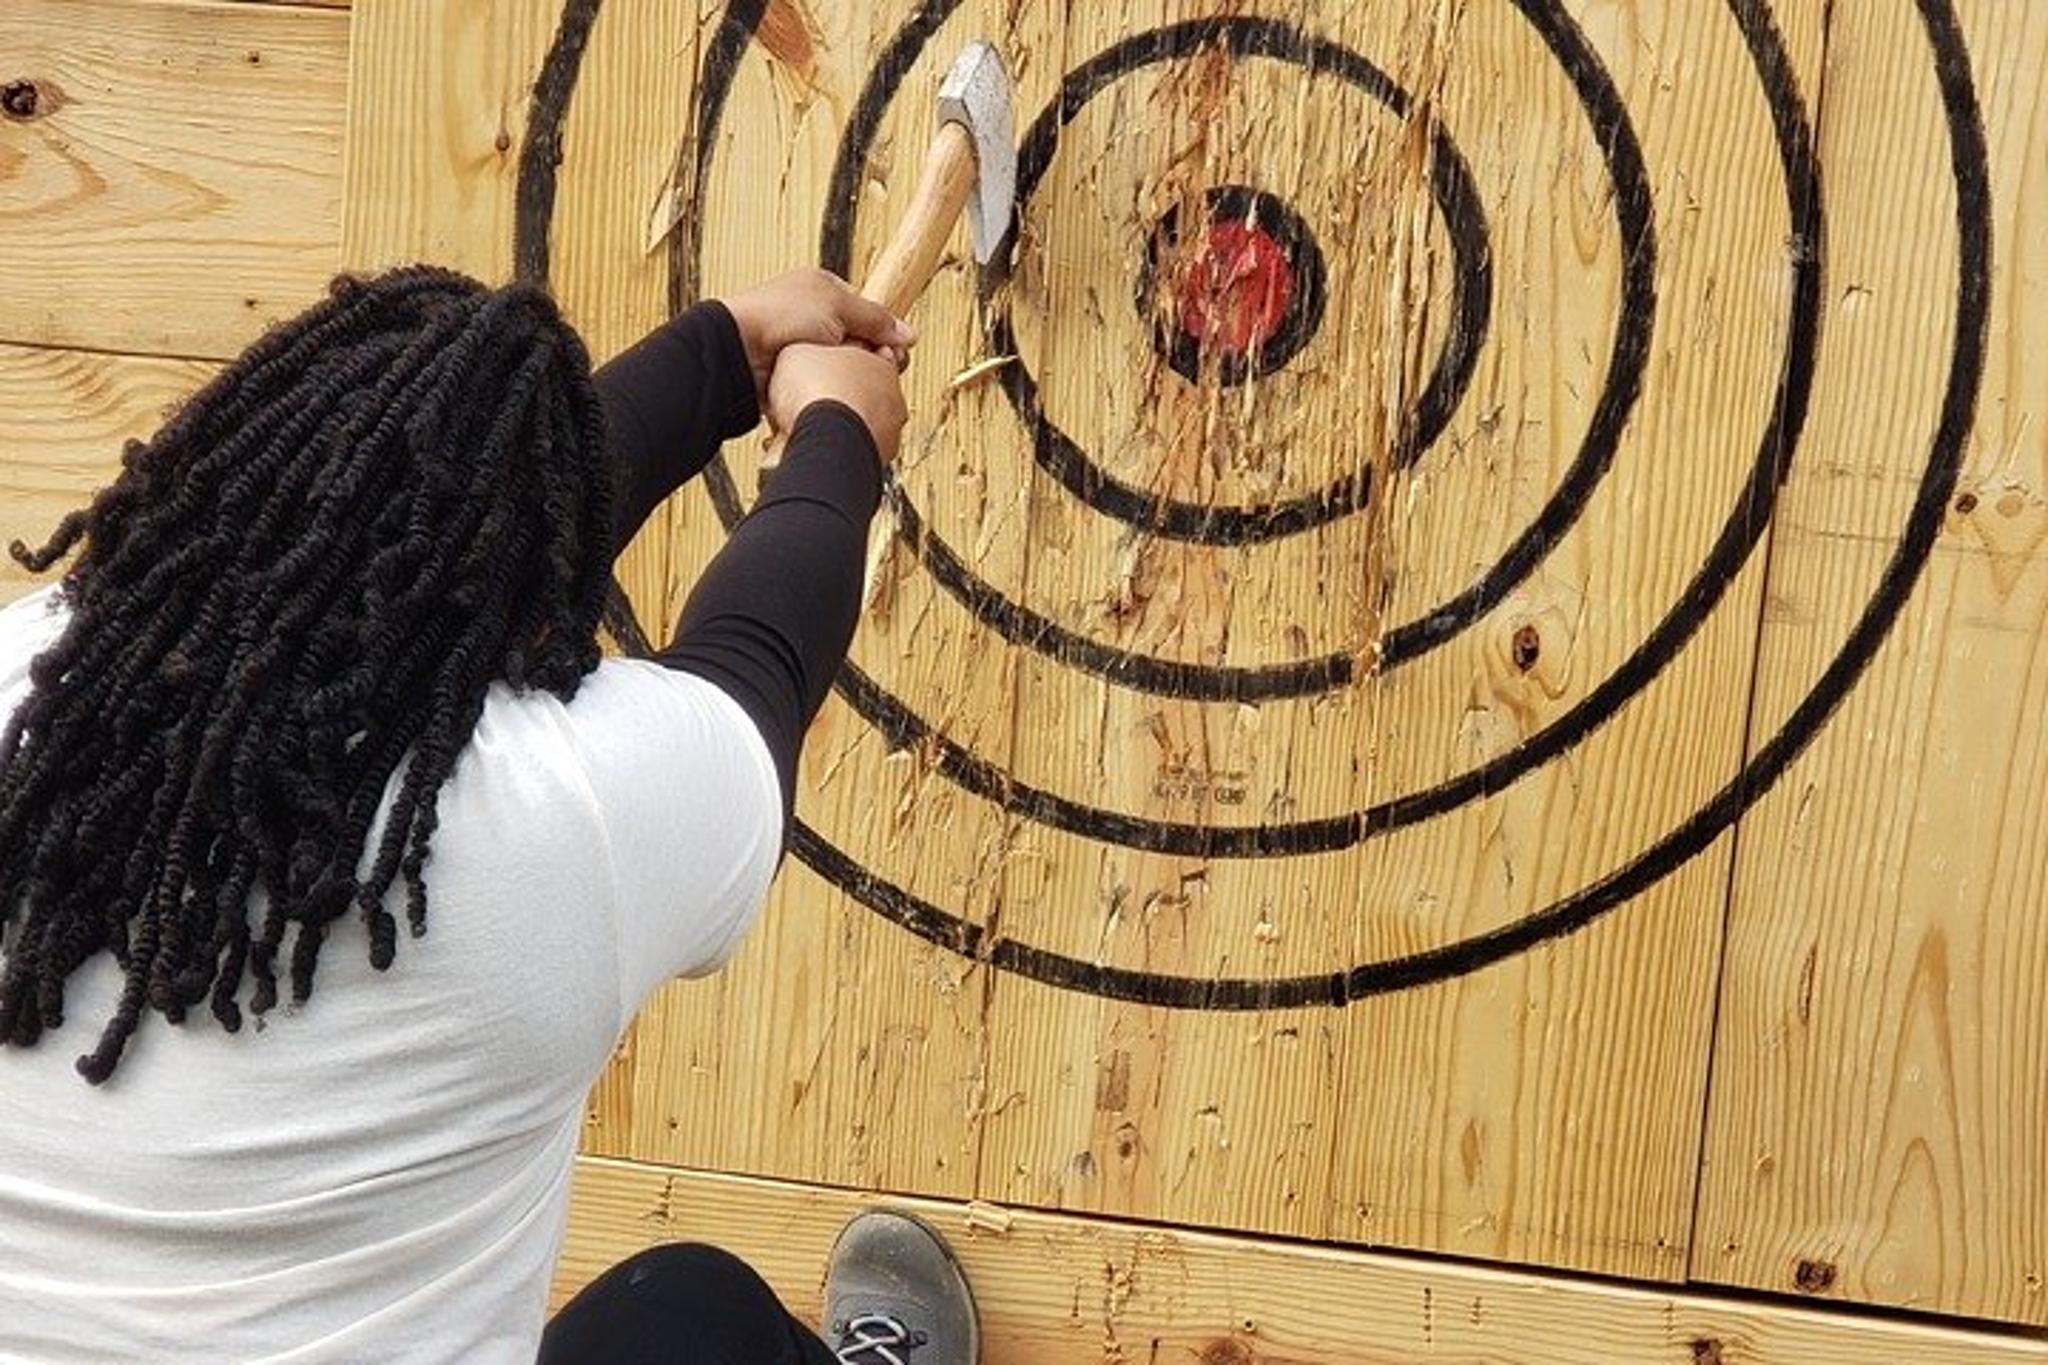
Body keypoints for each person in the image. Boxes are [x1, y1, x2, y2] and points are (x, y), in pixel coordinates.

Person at [0, 266, 978, 1363]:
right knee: (696, 1318)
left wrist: (720, 353)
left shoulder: (38, 676)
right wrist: (840, 434)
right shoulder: (550, 819)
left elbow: (395, 539)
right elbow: (759, 661)